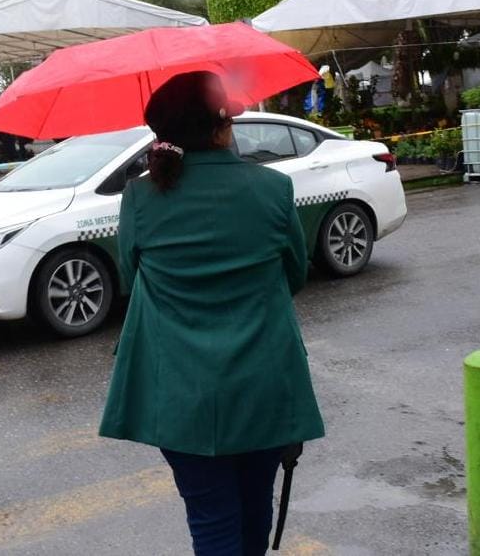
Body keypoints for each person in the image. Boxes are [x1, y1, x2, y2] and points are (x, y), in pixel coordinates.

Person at [99, 71, 325, 556]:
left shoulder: (140, 197)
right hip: (263, 384)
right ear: (224, 126)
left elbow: (129, 272)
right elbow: (295, 273)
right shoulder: (273, 189)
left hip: (178, 395)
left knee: (211, 519)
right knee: (253, 510)